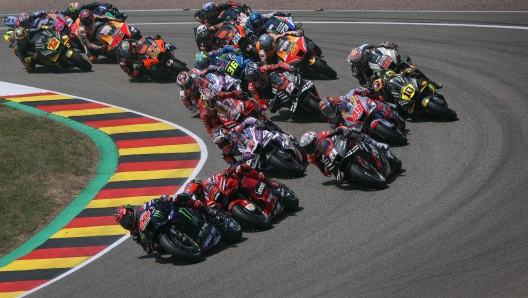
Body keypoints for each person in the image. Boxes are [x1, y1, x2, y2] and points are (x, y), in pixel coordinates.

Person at [115, 180, 221, 255]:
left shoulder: (141, 209)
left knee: (177, 198)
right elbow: (146, 248)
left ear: (130, 213)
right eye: (123, 223)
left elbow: (155, 202)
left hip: (166, 215)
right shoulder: (134, 233)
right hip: (161, 234)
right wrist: (155, 246)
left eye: (125, 219)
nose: (126, 223)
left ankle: (206, 210)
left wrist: (163, 200)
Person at [299, 126, 391, 183]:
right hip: (335, 162)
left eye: (309, 146)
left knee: (355, 132)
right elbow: (323, 171)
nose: (308, 150)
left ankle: (377, 144)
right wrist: (328, 168)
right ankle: (361, 175)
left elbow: (338, 129)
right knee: (341, 180)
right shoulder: (310, 158)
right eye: (306, 148)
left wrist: (345, 130)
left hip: (341, 146)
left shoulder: (322, 135)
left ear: (315, 140)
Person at [347, 42, 442, 89]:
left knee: (411, 68)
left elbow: (378, 47)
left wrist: (387, 44)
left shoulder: (366, 49)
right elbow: (364, 85)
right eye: (356, 63)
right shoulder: (356, 70)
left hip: (385, 68)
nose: (359, 64)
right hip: (379, 80)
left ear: (363, 55)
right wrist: (371, 80)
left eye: (360, 61)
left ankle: (430, 82)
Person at [203, 163, 284, 208]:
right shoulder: (207, 199)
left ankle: (268, 181)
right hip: (226, 202)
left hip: (234, 185)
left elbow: (229, 168)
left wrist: (230, 170)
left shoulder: (217, 178)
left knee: (243, 168)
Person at [319, 87, 395, 129]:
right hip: (353, 124)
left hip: (357, 111)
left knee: (370, 96)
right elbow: (338, 130)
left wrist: (364, 91)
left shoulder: (340, 100)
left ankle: (387, 104)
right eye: (325, 112)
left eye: (328, 110)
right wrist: (343, 126)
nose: (328, 113)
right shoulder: (331, 121)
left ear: (333, 104)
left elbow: (351, 95)